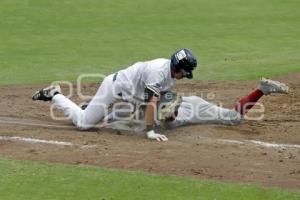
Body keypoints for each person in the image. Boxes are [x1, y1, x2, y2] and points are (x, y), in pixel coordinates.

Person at [32, 48, 197, 141]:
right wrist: (149, 131)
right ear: (177, 67)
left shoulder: (171, 76)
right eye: (184, 72)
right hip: (114, 88)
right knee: (84, 124)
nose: (184, 76)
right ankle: (54, 94)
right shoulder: (157, 72)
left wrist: (171, 114)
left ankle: (92, 108)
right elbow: (152, 103)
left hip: (131, 97)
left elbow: (162, 98)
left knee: (120, 117)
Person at [96, 78, 288, 141]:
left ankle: (262, 89)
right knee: (232, 117)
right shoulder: (161, 102)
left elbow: (161, 115)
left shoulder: (165, 117)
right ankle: (261, 89)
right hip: (191, 102)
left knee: (233, 118)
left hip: (191, 110)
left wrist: (108, 114)